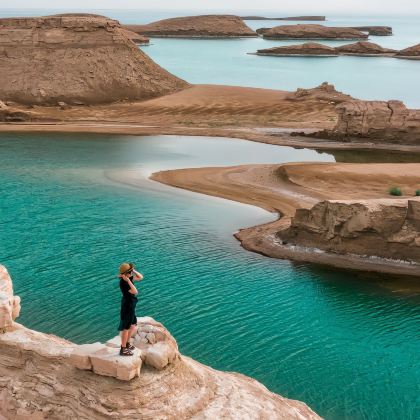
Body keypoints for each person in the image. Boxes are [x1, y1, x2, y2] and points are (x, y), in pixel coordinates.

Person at [118, 262, 143, 356]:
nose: (131, 273)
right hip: (127, 306)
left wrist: (133, 270)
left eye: (131, 271)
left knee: (133, 325)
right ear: (125, 274)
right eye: (130, 272)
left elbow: (141, 277)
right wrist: (128, 281)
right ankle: (123, 349)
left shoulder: (129, 278)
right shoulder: (124, 282)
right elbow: (135, 291)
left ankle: (127, 344)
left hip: (131, 305)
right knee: (126, 328)